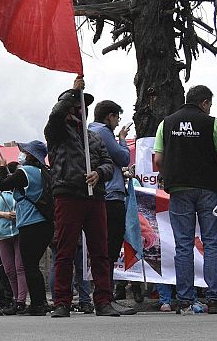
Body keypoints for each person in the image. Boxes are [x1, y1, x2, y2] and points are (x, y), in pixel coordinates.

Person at [154, 85, 217, 314]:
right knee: (213, 243)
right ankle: (215, 299)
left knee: (183, 245)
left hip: (179, 189)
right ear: (204, 103)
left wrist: (171, 174)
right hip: (208, 189)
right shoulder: (211, 123)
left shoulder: (166, 123)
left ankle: (185, 300)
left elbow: (158, 160)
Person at [44, 77, 118, 318]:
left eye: (83, 106)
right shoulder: (56, 132)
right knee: (65, 251)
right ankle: (61, 302)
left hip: (95, 198)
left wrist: (99, 173)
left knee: (100, 251)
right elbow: (55, 115)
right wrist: (73, 92)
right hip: (68, 195)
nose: (80, 109)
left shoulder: (94, 138)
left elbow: (108, 164)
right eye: (76, 105)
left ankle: (103, 301)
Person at [88, 100, 137, 315]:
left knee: (102, 249)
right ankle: (106, 297)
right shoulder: (103, 132)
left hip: (99, 195)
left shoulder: (89, 130)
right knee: (110, 248)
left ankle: (103, 296)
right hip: (112, 195)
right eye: (117, 118)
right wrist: (123, 139)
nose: (117, 123)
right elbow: (123, 157)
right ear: (110, 116)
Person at [0, 141, 53, 316]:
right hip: (45, 223)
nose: (22, 154)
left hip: (30, 223)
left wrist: (2, 167)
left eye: (25, 152)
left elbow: (2, 184)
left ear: (31, 155)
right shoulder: (43, 172)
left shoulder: (25, 171)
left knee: (29, 266)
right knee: (33, 265)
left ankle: (37, 305)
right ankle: (41, 302)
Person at [0, 165, 27, 315]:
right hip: (2, 233)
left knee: (20, 267)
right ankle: (15, 298)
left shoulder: (21, 189)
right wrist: (5, 215)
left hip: (18, 231)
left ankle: (21, 301)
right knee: (9, 269)